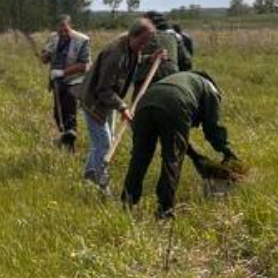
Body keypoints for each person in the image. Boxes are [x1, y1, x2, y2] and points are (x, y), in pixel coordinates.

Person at [121, 71, 237, 218]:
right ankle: (165, 210)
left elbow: (175, 134)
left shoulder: (185, 80)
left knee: (139, 156)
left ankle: (128, 202)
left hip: (145, 102)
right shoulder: (211, 90)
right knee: (172, 159)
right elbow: (212, 128)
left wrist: (194, 155)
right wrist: (227, 151)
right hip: (175, 103)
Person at [76, 17, 157, 192]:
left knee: (105, 141)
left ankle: (90, 175)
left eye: (147, 42)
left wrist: (150, 59)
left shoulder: (132, 46)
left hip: (109, 101)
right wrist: (123, 107)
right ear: (133, 35)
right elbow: (102, 89)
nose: (144, 45)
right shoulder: (115, 54)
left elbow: (134, 61)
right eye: (143, 41)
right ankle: (102, 186)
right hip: (94, 102)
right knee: (105, 145)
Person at [39, 15, 90, 149]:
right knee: (58, 113)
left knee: (69, 105)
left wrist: (63, 72)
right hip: (57, 81)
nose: (63, 34)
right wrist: (47, 53)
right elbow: (44, 60)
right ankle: (65, 138)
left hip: (75, 80)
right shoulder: (53, 38)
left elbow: (84, 65)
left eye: (66, 30)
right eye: (60, 31)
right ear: (56, 29)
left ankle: (71, 139)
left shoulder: (82, 40)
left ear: (71, 27)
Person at [133, 10, 193, 87]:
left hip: (143, 82)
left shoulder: (139, 37)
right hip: (170, 80)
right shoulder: (174, 37)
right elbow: (187, 62)